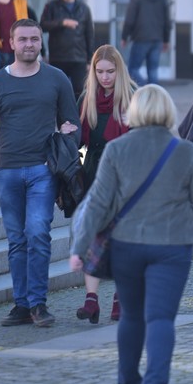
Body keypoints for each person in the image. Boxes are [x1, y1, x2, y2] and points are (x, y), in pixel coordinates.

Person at [70, 84, 193, 384]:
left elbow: (99, 204)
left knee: (131, 316)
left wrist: (79, 247)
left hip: (127, 245)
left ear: (134, 111)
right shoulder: (185, 151)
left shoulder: (117, 149)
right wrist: (179, 221)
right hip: (173, 246)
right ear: (168, 111)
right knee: (161, 317)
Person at [0, 18, 80, 327]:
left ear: (41, 43)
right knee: (16, 240)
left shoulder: (57, 79)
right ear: (10, 44)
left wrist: (69, 139)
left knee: (39, 233)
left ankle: (39, 304)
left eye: (34, 39)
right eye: (23, 39)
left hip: (43, 171)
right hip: (7, 173)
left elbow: (73, 124)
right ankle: (21, 304)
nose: (29, 44)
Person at [72, 45, 136, 323]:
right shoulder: (87, 99)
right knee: (93, 236)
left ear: (119, 71)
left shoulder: (133, 98)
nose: (105, 77)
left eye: (110, 71)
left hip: (125, 173)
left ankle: (120, 297)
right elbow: (78, 139)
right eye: (100, 72)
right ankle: (91, 299)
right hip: (94, 172)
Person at [40, 0, 95, 97]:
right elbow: (42, 26)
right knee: (57, 92)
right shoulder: (51, 6)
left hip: (78, 58)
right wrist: (62, 22)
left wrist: (90, 60)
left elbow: (89, 35)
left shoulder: (84, 9)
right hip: (58, 58)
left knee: (80, 93)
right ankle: (59, 116)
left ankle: (78, 116)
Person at [121, 0, 171, 86]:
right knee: (153, 71)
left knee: (132, 69)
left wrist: (124, 36)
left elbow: (129, 19)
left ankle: (145, 90)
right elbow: (167, 21)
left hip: (140, 39)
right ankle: (154, 97)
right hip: (157, 39)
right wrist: (166, 40)